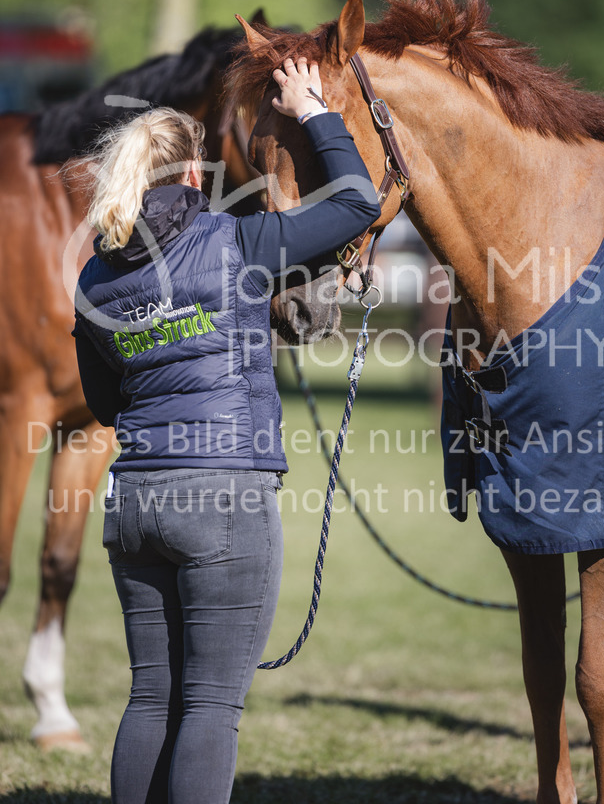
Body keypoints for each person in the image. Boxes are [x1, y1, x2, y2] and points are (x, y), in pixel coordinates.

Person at [73, 58, 381, 804]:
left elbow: (104, 404)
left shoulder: (93, 279)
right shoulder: (234, 242)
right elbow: (357, 203)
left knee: (152, 699)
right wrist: (313, 109)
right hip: (224, 497)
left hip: (133, 501)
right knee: (211, 707)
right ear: (190, 179)